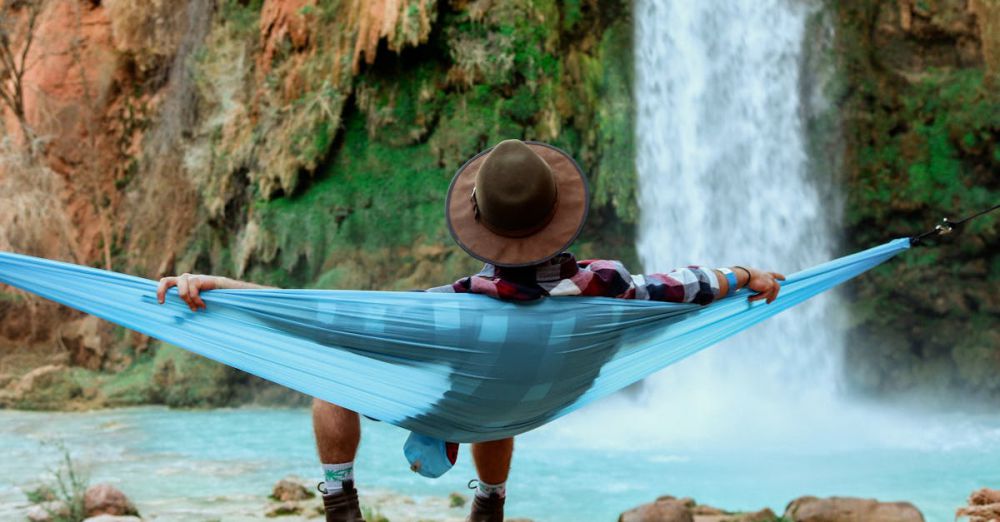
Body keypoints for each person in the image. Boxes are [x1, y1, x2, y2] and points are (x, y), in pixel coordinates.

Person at [156, 139, 785, 522]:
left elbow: (321, 316)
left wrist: (229, 290)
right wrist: (744, 273)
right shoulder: (614, 287)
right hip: (533, 399)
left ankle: (341, 501)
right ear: (557, 220)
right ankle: (490, 502)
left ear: (479, 224)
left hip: (469, 393)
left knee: (332, 377)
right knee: (500, 399)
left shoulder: (452, 307)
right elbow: (688, 284)